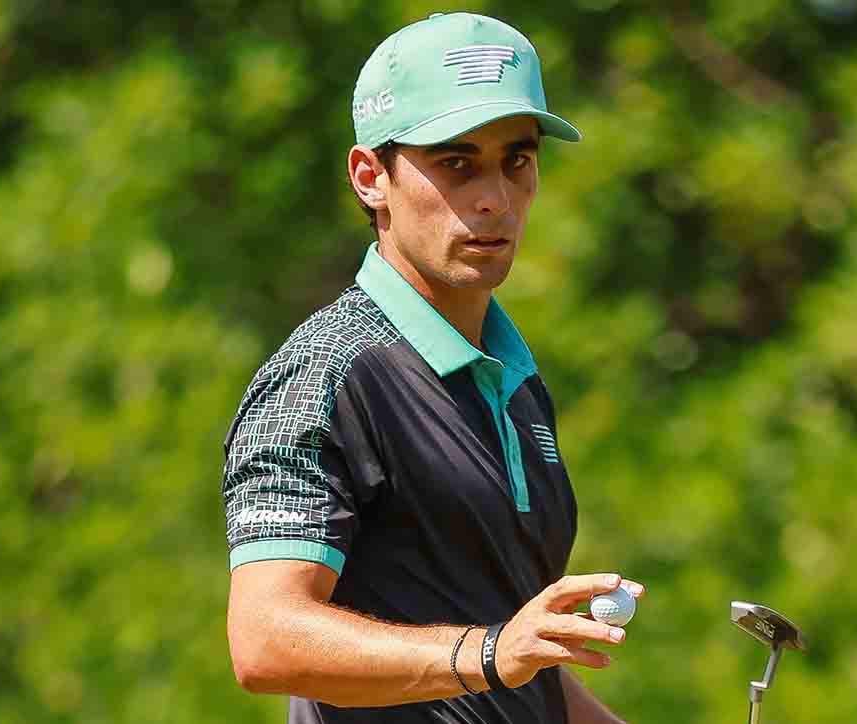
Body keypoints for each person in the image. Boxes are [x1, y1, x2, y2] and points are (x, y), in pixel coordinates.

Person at [221, 12, 645, 723]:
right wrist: (488, 654)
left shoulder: (517, 387)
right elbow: (264, 640)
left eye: (517, 160)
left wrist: (507, 655)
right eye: (456, 162)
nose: (495, 198)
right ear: (369, 177)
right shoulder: (326, 374)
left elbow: (518, 662)